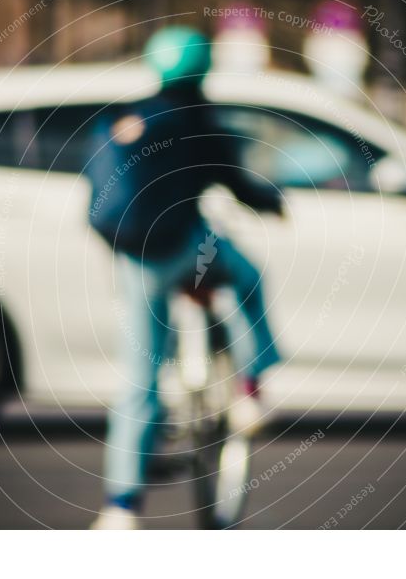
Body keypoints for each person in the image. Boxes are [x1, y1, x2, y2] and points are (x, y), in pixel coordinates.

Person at [87, 26, 283, 530]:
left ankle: (121, 508)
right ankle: (250, 388)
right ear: (203, 67)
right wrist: (273, 202)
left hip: (134, 258)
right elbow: (235, 183)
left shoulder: (124, 118)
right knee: (247, 274)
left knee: (141, 381)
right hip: (188, 249)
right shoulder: (199, 117)